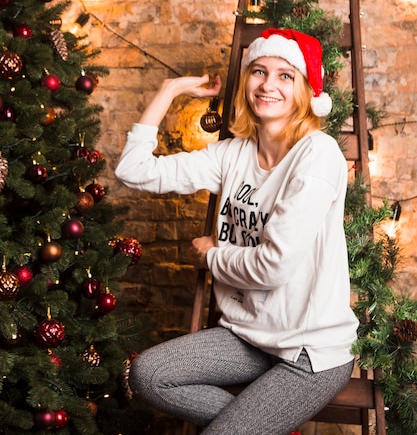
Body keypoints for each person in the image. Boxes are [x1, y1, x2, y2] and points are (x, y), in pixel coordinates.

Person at [115, 28, 359, 435]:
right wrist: (169, 90)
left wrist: (211, 255)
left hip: (309, 353)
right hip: (248, 339)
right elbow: (133, 170)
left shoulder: (317, 155)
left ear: (304, 90)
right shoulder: (232, 154)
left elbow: (273, 266)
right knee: (147, 374)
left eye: (285, 76)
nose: (268, 85)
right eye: (259, 71)